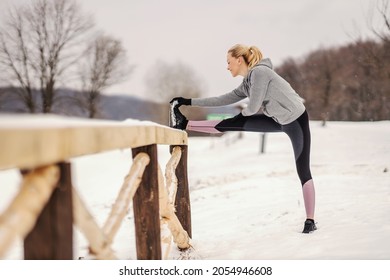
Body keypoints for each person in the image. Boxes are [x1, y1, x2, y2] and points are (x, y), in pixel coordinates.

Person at [169, 44, 317, 234]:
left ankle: (310, 220)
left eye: (228, 62)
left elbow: (253, 107)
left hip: (296, 121)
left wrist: (240, 116)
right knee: (229, 124)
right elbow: (222, 99)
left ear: (239, 60)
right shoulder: (248, 82)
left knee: (303, 169)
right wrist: (187, 102)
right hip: (277, 120)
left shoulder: (260, 73)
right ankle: (184, 124)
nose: (227, 67)